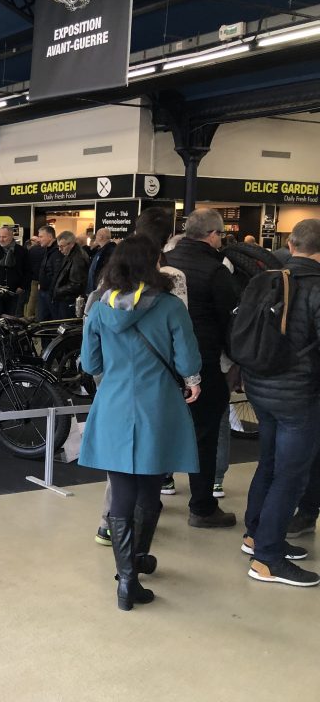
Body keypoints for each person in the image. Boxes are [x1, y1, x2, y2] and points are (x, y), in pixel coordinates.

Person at [79, 235, 202, 610]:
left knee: (121, 491)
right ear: (154, 264)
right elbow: (187, 360)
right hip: (157, 405)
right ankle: (135, 562)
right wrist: (193, 381)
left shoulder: (99, 307)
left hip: (114, 404)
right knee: (150, 488)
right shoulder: (170, 306)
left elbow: (91, 363)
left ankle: (127, 579)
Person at [241, 219, 320, 586]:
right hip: (299, 395)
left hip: (260, 386)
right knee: (291, 475)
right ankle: (268, 558)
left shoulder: (269, 279)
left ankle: (256, 535)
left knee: (269, 463)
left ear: (291, 244)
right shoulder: (316, 287)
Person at [164, 208, 240, 528]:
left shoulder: (164, 262)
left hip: (163, 361)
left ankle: (154, 492)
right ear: (212, 235)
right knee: (205, 435)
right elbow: (230, 321)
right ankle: (203, 506)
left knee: (162, 428)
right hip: (203, 360)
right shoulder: (216, 270)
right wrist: (235, 362)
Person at [52, 231, 90, 319]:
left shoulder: (78, 258)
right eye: (59, 246)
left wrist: (58, 290)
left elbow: (76, 284)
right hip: (67, 299)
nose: (60, 249)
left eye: (62, 246)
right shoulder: (71, 254)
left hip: (70, 301)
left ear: (71, 244)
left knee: (66, 325)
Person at [35, 225, 63, 321]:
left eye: (41, 237)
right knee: (43, 320)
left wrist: (51, 291)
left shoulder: (57, 252)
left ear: (50, 237)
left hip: (50, 293)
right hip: (45, 291)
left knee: (51, 321)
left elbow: (56, 274)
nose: (39, 239)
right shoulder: (48, 250)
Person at [86, 228, 116, 295]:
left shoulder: (109, 251)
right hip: (97, 289)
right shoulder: (101, 250)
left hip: (101, 291)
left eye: (96, 235)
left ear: (101, 237)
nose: (95, 237)